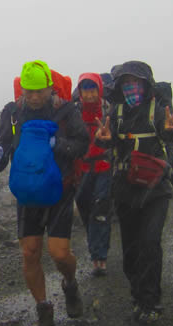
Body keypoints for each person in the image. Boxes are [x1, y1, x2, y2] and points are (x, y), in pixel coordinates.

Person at [0, 60, 90, 326]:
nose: (33, 97)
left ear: (49, 87)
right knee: (30, 253)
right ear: (22, 89)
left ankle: (70, 283)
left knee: (59, 253)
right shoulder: (12, 113)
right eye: (28, 91)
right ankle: (44, 310)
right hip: (28, 193)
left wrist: (60, 145)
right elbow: (4, 148)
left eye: (39, 91)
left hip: (61, 190)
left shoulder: (66, 111)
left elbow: (83, 144)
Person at [93, 61, 173, 325]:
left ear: (146, 84)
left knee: (150, 243)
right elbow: (108, 142)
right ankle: (137, 294)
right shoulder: (115, 112)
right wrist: (104, 139)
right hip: (125, 188)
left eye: (137, 83)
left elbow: (168, 136)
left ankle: (150, 301)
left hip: (156, 188)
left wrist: (171, 131)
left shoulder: (158, 110)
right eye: (126, 83)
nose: (132, 88)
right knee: (131, 248)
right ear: (120, 87)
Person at [74, 73, 112, 276]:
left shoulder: (108, 110)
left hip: (104, 167)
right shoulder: (74, 111)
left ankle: (100, 257)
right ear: (80, 92)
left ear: (99, 90)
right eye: (85, 91)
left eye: (93, 90)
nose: (89, 95)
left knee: (101, 208)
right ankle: (95, 248)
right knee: (85, 209)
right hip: (82, 170)